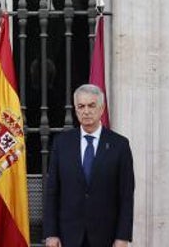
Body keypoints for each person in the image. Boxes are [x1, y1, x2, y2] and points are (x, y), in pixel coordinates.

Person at [44, 84, 134, 247]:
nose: (86, 111)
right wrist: (51, 233)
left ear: (102, 108)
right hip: (68, 235)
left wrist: (123, 237)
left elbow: (126, 195)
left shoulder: (119, 145)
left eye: (91, 105)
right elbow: (52, 191)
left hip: (106, 236)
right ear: (76, 110)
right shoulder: (61, 144)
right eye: (81, 106)